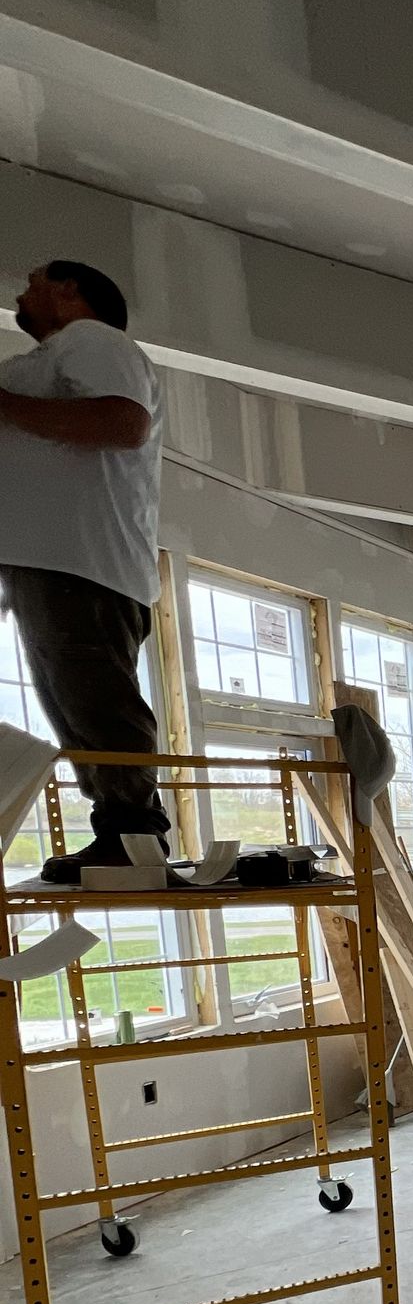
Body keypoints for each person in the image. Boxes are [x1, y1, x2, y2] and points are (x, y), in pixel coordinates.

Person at [0, 260, 168, 881]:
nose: (21, 292)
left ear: (70, 290)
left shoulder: (94, 340)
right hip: (58, 562)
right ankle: (122, 834)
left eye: (34, 281)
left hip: (82, 562)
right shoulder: (49, 360)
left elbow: (122, 423)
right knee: (75, 708)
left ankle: (135, 838)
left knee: (95, 704)